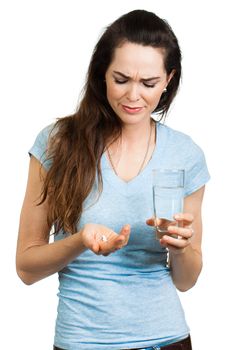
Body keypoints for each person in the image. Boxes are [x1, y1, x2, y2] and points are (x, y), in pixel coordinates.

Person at [16, 9, 210, 350]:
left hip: (166, 339)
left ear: (168, 80)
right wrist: (79, 242)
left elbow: (186, 280)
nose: (133, 95)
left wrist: (179, 248)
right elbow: (26, 268)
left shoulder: (185, 154)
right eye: (121, 79)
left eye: (149, 83)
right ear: (101, 74)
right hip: (82, 341)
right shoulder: (57, 143)